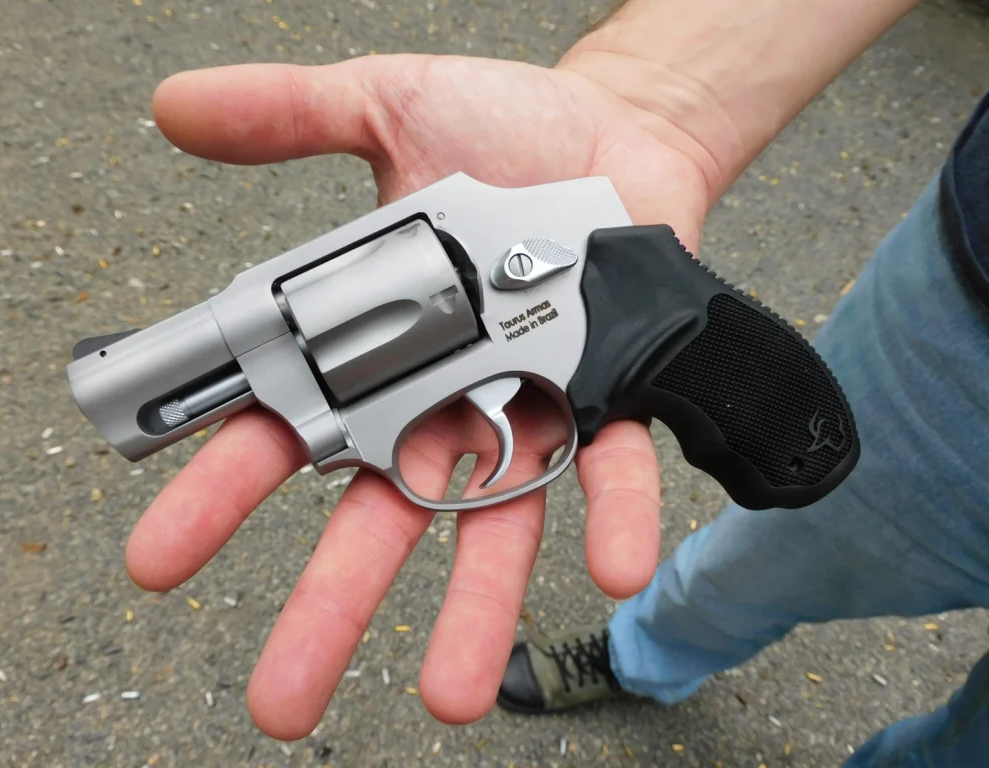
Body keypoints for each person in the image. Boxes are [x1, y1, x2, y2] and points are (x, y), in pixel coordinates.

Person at [122, 0, 989, 763]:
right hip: (965, 287)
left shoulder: (596, 288)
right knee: (772, 566)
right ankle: (642, 656)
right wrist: (653, 87)